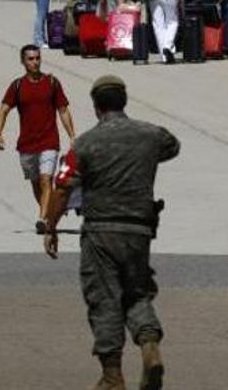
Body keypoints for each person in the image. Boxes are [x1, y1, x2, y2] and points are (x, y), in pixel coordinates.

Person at [43, 75, 180, 390]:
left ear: (95, 107)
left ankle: (112, 375)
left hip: (100, 232)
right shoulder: (150, 135)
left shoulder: (85, 144)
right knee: (137, 291)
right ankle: (149, 347)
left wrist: (50, 227)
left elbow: (62, 187)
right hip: (139, 231)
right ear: (124, 101)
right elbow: (171, 146)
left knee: (104, 299)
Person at [0, 44, 77, 232]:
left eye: (37, 58)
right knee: (36, 182)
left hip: (49, 141)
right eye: (30, 59)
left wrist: (72, 135)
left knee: (47, 179)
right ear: (23, 62)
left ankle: (42, 219)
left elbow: (63, 110)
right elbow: (4, 109)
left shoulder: (52, 83)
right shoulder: (17, 86)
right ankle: (49, 214)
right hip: (27, 144)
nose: (35, 62)